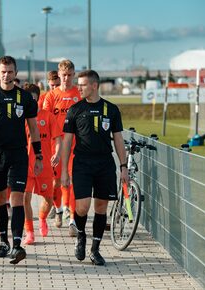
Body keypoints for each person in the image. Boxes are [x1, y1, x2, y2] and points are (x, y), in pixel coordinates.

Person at [0, 56, 43, 264]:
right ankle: (3, 240)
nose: (6, 75)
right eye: (2, 72)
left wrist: (38, 155)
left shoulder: (25, 98)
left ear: (15, 73)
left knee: (17, 198)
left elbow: (33, 128)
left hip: (18, 154)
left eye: (10, 71)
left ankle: (16, 244)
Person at [61, 69, 128, 266]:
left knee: (101, 207)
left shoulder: (111, 110)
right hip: (81, 163)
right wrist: (64, 171)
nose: (78, 87)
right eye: (78, 84)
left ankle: (95, 249)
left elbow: (118, 139)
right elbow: (66, 142)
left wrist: (123, 166)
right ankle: (81, 235)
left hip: (105, 164)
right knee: (82, 206)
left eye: (82, 84)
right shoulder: (75, 110)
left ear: (94, 86)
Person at [43, 59, 80, 234]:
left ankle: (72, 219)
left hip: (74, 146)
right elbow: (45, 121)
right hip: (54, 146)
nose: (66, 78)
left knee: (72, 182)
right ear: (59, 75)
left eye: (69, 75)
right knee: (55, 182)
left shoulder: (78, 94)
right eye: (63, 75)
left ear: (74, 75)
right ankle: (58, 209)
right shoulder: (51, 96)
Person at [22, 84, 62, 245]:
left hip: (44, 165)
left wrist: (57, 153)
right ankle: (29, 232)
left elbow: (58, 139)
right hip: (24, 165)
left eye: (33, 98)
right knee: (25, 198)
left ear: (38, 98)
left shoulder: (48, 116)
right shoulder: (21, 118)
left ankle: (43, 218)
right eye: (28, 98)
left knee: (48, 199)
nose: (31, 101)